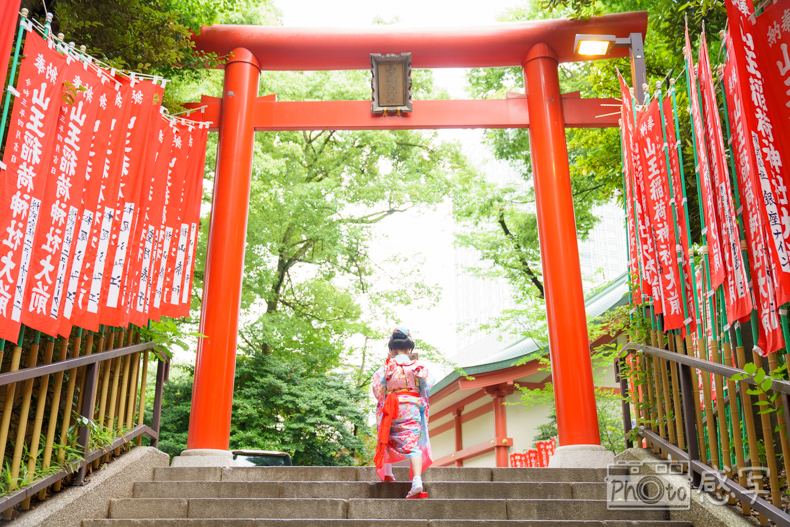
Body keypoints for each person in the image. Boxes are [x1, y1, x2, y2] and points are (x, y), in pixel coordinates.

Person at [372, 326, 435, 499]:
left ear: (391, 350)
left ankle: (388, 473)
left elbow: (377, 388)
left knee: (387, 436)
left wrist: (387, 398)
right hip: (412, 408)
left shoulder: (385, 368)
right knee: (412, 443)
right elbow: (428, 385)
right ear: (409, 349)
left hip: (392, 407)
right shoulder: (418, 366)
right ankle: (416, 481)